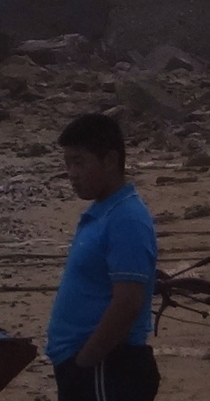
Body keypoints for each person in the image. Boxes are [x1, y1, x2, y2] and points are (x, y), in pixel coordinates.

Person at [46, 112, 160, 401]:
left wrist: (86, 362)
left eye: (79, 162)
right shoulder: (102, 213)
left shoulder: (126, 219)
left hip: (107, 367)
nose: (71, 173)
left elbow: (128, 302)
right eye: (67, 163)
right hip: (89, 365)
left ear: (109, 161)